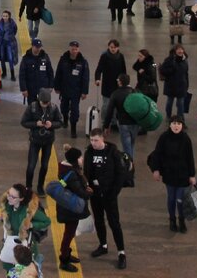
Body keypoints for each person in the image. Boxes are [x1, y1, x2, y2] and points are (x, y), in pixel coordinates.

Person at [83, 130, 128, 270]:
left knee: (114, 223)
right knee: (99, 220)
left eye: (96, 140)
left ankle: (121, 253)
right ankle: (103, 245)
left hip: (109, 194)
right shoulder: (89, 152)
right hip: (95, 194)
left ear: (103, 139)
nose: (93, 143)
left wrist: (114, 192)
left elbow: (120, 174)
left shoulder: (112, 152)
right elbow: (86, 172)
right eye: (91, 140)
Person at [148, 115, 197, 232]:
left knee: (180, 199)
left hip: (183, 175)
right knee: (171, 198)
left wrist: (192, 175)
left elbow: (190, 157)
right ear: (170, 125)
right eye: (174, 123)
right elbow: (157, 155)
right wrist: (156, 170)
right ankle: (172, 219)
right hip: (169, 174)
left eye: (179, 124)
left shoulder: (186, 139)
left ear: (182, 126)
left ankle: (181, 219)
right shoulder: (164, 138)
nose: (176, 126)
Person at [0, 184, 50, 276]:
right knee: (11, 270)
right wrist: (3, 219)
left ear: (21, 199)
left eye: (13, 197)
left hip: (24, 247)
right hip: (10, 243)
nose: (9, 198)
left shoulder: (28, 211)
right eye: (8, 194)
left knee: (24, 272)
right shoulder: (8, 205)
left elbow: (46, 221)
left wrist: (32, 225)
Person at [21, 88, 63, 194]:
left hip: (48, 141)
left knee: (44, 166)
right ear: (38, 100)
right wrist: (36, 124)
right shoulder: (32, 107)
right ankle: (28, 187)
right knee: (31, 166)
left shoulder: (53, 108)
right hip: (35, 141)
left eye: (46, 103)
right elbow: (24, 122)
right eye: (43, 102)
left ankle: (40, 186)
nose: (44, 104)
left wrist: (51, 125)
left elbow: (60, 122)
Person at [55, 147, 90, 273]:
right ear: (75, 160)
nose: (82, 159)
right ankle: (64, 260)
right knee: (68, 234)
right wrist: (89, 193)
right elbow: (80, 191)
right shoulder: (71, 174)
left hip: (66, 206)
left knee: (68, 233)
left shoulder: (65, 168)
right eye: (80, 157)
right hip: (70, 208)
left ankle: (67, 253)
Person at [54, 40, 91, 138]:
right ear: (69, 49)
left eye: (76, 49)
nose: (74, 51)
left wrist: (84, 92)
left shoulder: (83, 62)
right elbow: (58, 73)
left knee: (75, 110)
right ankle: (65, 119)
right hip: (64, 89)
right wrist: (56, 87)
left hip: (76, 90)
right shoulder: (63, 59)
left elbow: (85, 77)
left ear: (78, 49)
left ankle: (73, 129)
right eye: (72, 49)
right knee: (63, 107)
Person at [94, 40, 128, 126]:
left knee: (116, 105)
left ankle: (113, 123)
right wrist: (97, 79)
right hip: (107, 85)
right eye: (111, 47)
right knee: (106, 105)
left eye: (115, 47)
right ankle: (104, 122)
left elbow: (124, 70)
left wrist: (124, 82)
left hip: (118, 85)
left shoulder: (121, 57)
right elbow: (99, 69)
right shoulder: (104, 56)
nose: (113, 49)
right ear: (108, 47)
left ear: (118, 48)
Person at [108, 74, 140, 158]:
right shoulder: (135, 92)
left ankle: (129, 164)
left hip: (123, 123)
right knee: (131, 143)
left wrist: (106, 125)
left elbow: (109, 111)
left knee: (126, 146)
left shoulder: (116, 94)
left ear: (120, 82)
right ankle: (131, 161)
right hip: (135, 122)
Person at [159, 43, 191, 119]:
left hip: (181, 85)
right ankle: (168, 116)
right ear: (175, 51)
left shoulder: (185, 60)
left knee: (180, 103)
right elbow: (162, 70)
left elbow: (186, 73)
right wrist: (172, 69)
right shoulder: (169, 60)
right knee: (170, 102)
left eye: (181, 49)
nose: (180, 51)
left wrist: (187, 84)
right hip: (171, 85)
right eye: (178, 49)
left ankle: (180, 119)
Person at [20, 38, 54, 105]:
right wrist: (24, 89)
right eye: (36, 47)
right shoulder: (26, 58)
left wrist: (51, 86)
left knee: (44, 108)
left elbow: (50, 72)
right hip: (31, 89)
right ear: (32, 46)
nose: (38, 49)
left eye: (40, 47)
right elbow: (22, 75)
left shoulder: (45, 57)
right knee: (32, 109)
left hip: (43, 89)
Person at [0, 11, 20, 80]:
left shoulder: (12, 23)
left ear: (9, 16)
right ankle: (4, 72)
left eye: (6, 16)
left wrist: (10, 37)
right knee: (2, 58)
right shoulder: (0, 24)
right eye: (3, 16)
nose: (5, 17)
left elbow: (15, 30)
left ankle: (12, 74)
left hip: (9, 43)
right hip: (2, 43)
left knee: (10, 58)